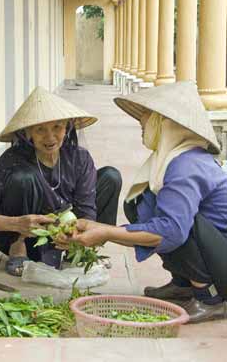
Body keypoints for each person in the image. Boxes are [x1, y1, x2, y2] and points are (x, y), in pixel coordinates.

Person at [63, 81, 227, 323]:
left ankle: (208, 298)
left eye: (147, 118)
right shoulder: (176, 158)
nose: (141, 124)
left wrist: (107, 232)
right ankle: (184, 284)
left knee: (175, 225)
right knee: (141, 202)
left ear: (165, 123)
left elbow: (172, 232)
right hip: (217, 250)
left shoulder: (185, 166)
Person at [0, 86, 122, 276]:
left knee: (110, 176)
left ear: (67, 127)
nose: (50, 137)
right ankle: (18, 247)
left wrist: (73, 233)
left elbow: (86, 212)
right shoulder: (12, 159)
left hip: (65, 233)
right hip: (29, 235)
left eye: (57, 127)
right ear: (28, 133)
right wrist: (16, 223)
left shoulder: (79, 158)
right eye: (40, 130)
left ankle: (81, 249)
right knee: (24, 177)